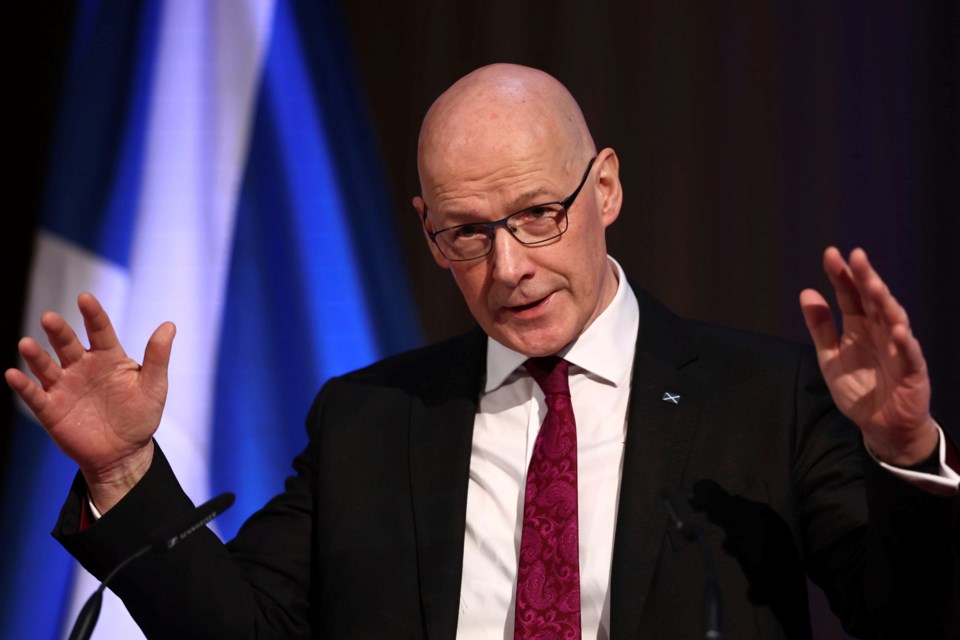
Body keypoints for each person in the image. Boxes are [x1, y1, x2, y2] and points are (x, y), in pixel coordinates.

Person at [6, 63, 959, 639]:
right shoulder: (369, 421)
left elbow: (904, 617)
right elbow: (246, 630)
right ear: (426, 231)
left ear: (607, 189)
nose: (509, 268)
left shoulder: (764, 397)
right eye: (467, 233)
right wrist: (127, 470)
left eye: (539, 216)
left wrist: (906, 456)